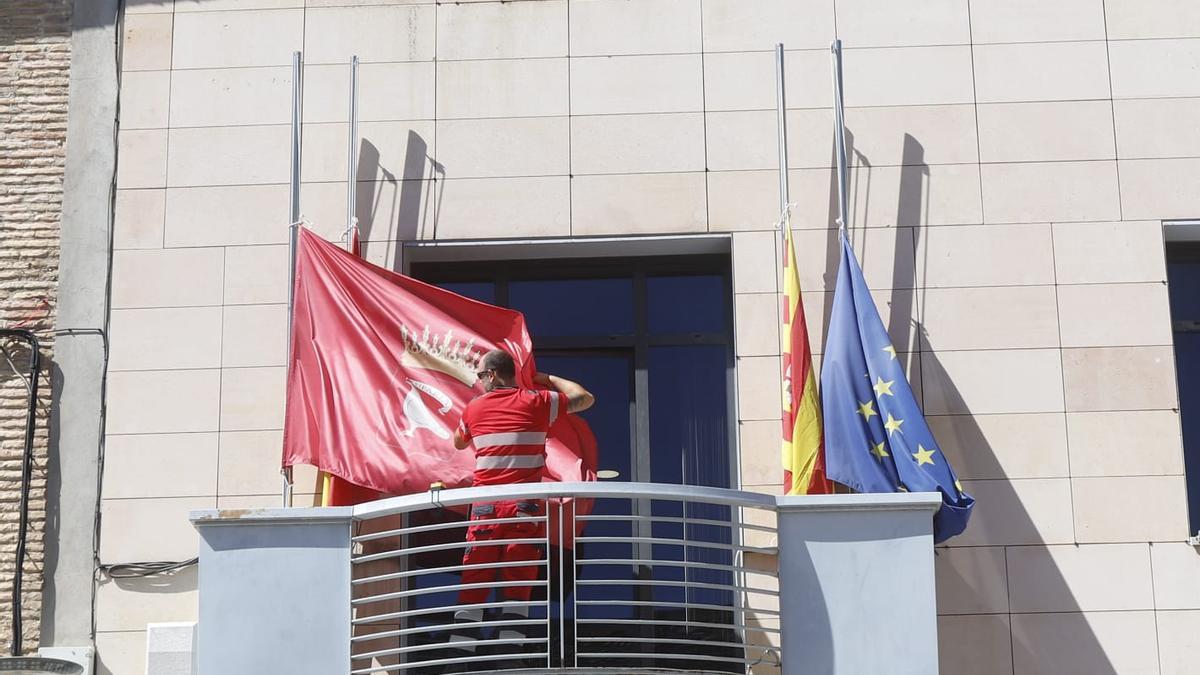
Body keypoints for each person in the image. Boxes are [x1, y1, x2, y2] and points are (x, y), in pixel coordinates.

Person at [447, 348, 594, 657]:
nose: (480, 381)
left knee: (475, 577)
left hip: (486, 507)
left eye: (481, 376)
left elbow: (459, 441)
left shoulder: (474, 409)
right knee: (519, 580)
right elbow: (584, 397)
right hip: (524, 508)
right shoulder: (537, 402)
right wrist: (547, 379)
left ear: (493, 375)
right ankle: (509, 652)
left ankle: (461, 655)